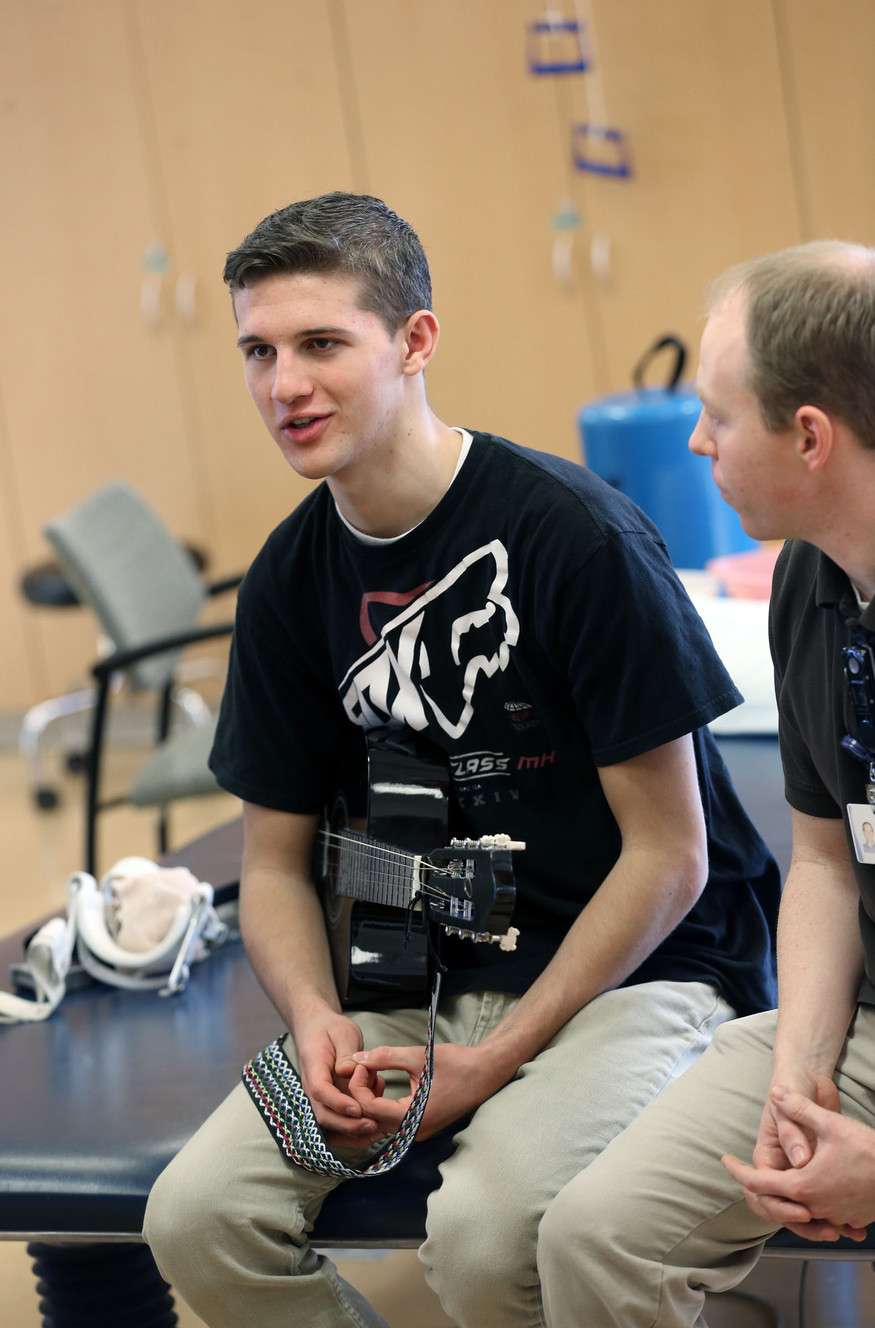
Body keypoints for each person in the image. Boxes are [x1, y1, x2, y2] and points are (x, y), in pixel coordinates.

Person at [143, 192, 779, 1328]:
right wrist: (314, 1017)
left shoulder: (572, 536)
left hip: (631, 978)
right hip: (408, 994)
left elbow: (671, 858)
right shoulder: (290, 582)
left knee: (488, 1241)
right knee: (196, 1215)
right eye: (258, 350)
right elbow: (276, 863)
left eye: (322, 343)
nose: (283, 384)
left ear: (415, 341)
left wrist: (492, 1064)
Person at [538, 240, 875, 1327]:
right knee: (590, 1239)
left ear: (809, 437)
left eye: (717, 417)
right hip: (862, 1028)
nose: (694, 442)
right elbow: (822, 857)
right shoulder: (808, 582)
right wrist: (797, 1076)